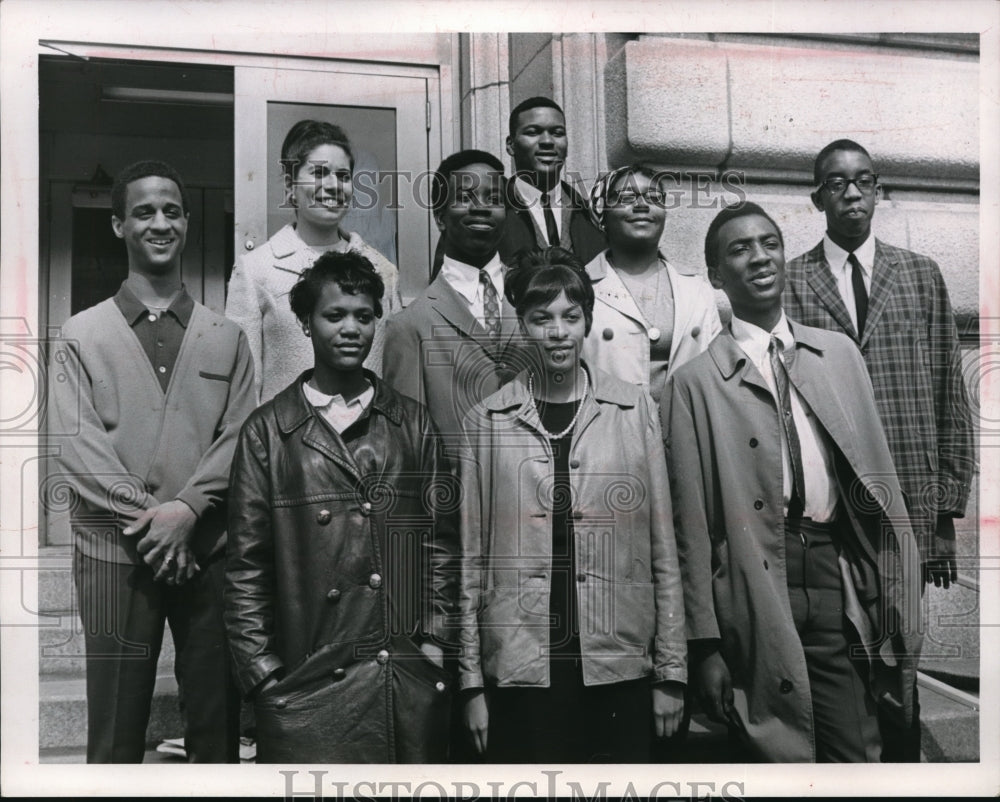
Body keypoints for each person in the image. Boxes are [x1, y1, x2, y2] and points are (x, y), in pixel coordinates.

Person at [666, 202, 922, 762]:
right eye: (739, 249)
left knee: (854, 744)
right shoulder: (694, 384)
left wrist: (897, 587)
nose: (759, 257)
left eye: (769, 243)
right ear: (715, 276)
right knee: (773, 747)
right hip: (753, 583)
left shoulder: (837, 355)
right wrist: (703, 645)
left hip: (833, 569)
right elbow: (690, 524)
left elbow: (877, 483)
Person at [48, 160, 255, 762]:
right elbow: (75, 443)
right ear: (118, 226)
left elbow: (240, 433)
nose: (159, 222)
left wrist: (188, 510)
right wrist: (154, 519)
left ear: (188, 222)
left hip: (207, 550)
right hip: (115, 551)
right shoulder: (81, 335)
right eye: (143, 212)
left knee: (216, 728)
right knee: (114, 731)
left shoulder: (227, 337)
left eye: (171, 210)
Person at [224, 251, 458, 763]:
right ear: (306, 323)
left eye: (364, 315)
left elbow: (441, 546)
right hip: (307, 684)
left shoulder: (412, 424)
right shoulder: (267, 432)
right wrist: (263, 674)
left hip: (401, 674)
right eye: (334, 315)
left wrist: (435, 646)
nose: (350, 328)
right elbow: (245, 568)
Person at [783, 140, 975, 760]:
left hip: (908, 504)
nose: (851, 192)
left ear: (877, 190)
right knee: (846, 646)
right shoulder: (791, 282)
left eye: (863, 180)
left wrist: (945, 515)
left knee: (901, 651)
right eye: (836, 183)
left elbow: (949, 388)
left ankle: (900, 764)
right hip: (834, 506)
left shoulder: (919, 274)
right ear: (818, 197)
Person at [457, 247, 686, 763]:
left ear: (587, 321)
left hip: (618, 657)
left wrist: (671, 670)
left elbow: (663, 549)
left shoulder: (632, 407)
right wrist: (471, 683)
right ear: (522, 324)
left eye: (570, 316)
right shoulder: (486, 421)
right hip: (522, 662)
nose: (557, 332)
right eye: (542, 319)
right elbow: (471, 561)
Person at [225, 119, 402, 403]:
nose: (333, 186)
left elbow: (394, 374)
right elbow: (244, 390)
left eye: (343, 176)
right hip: (285, 442)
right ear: (290, 184)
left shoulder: (382, 269)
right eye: (319, 173)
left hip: (370, 440)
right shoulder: (255, 270)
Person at [383, 150, 525, 442]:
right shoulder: (410, 326)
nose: (482, 207)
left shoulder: (535, 297)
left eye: (494, 198)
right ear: (440, 217)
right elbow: (407, 443)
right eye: (465, 197)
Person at [583, 163, 721, 405]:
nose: (642, 205)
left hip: (685, 432)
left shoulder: (697, 290)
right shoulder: (580, 287)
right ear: (602, 211)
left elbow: (718, 373)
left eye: (654, 197)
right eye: (627, 197)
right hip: (609, 432)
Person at [430, 98, 605, 275]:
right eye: (533, 132)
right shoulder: (481, 213)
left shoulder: (591, 215)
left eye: (557, 133)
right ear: (511, 145)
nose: (547, 141)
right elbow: (444, 291)